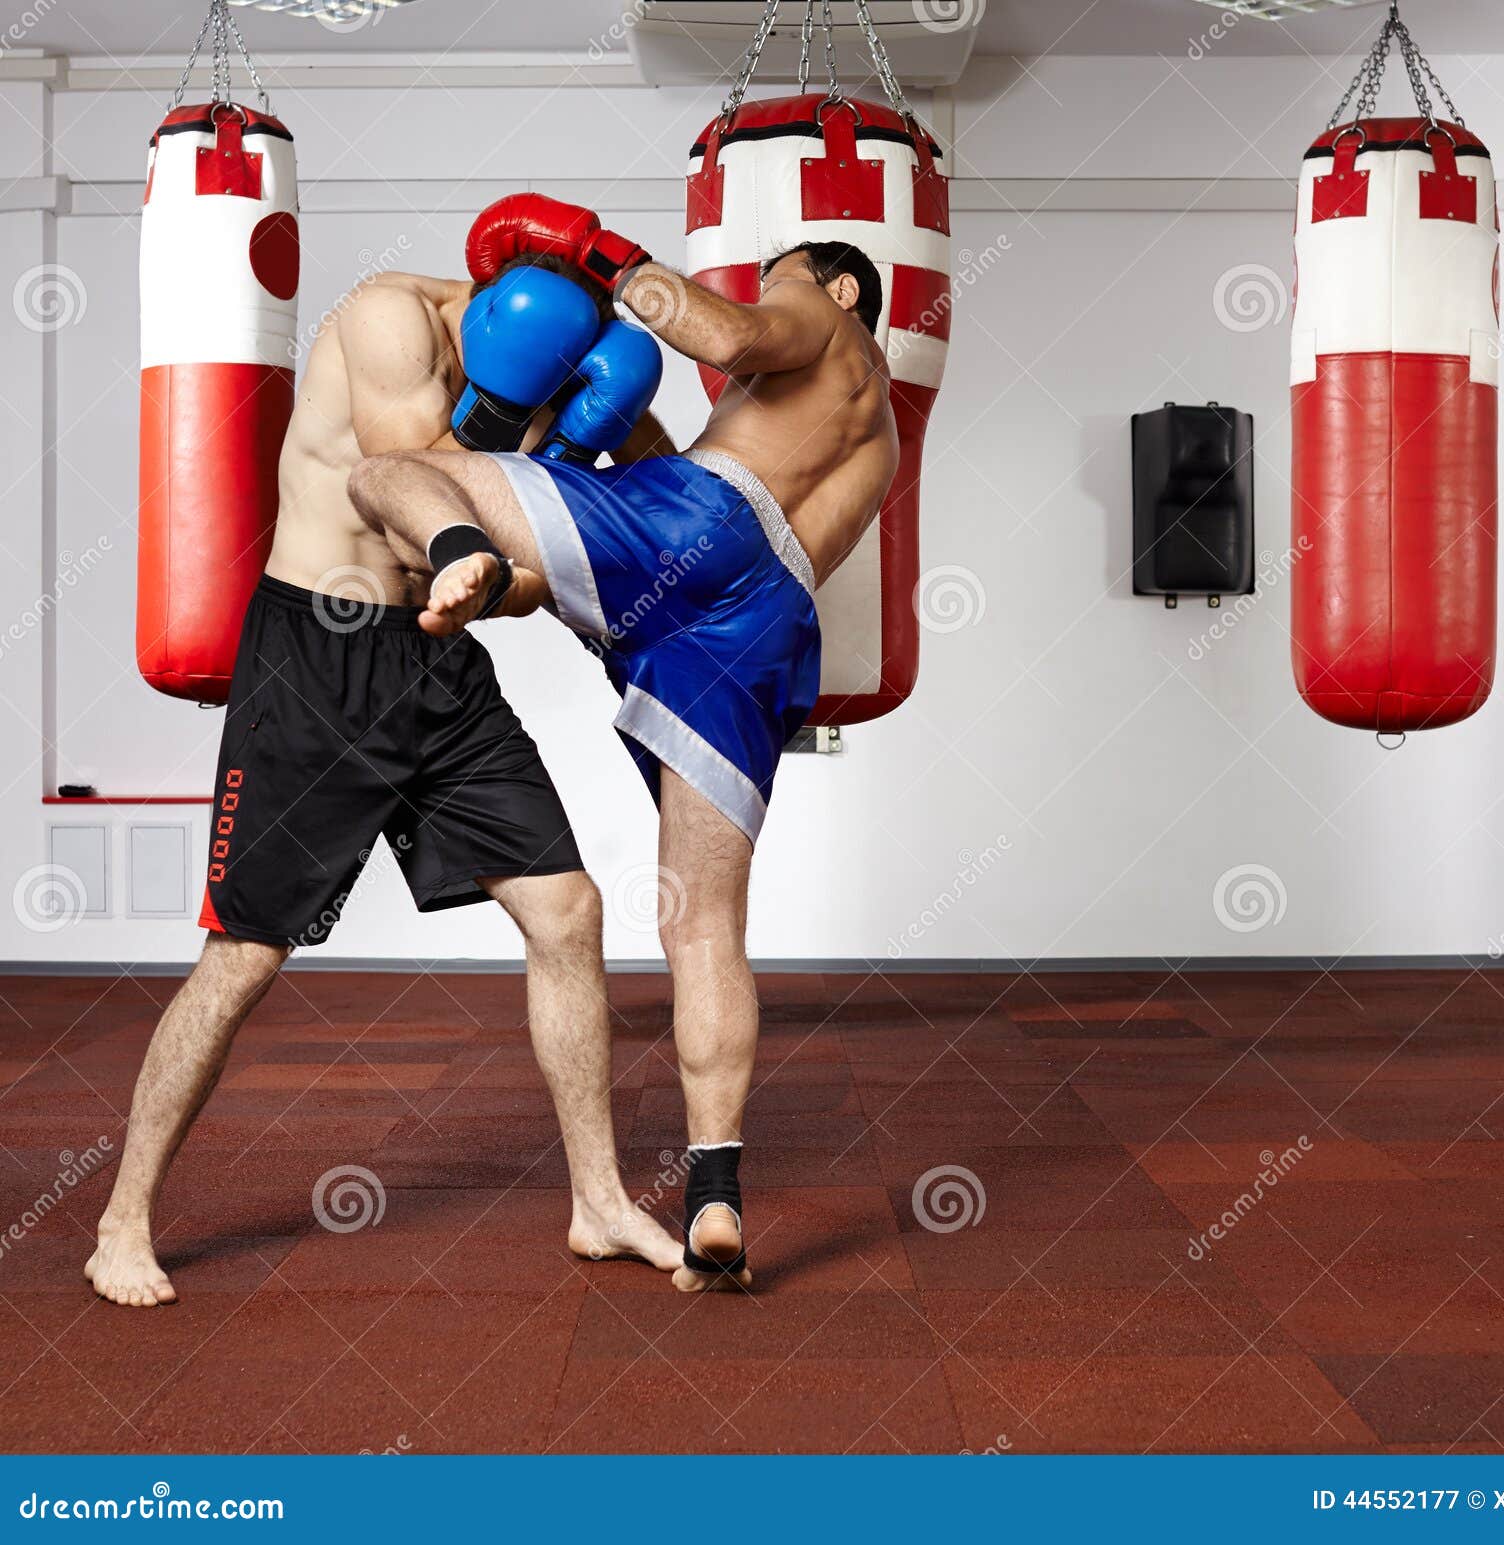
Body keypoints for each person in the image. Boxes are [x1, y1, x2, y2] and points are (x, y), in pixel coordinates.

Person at [86, 231, 681, 1307]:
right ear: (502, 297)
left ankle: (598, 1201)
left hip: (437, 671)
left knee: (569, 914)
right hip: (316, 659)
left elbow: (617, 520)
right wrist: (516, 529)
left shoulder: (577, 370)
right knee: (244, 961)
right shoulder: (387, 316)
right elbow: (411, 486)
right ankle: (121, 1220)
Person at [344, 193, 900, 1292]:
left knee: (382, 477)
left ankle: (461, 550)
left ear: (837, 292)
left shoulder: (823, 321)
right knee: (702, 926)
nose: (767, 295)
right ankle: (714, 1194)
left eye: (784, 276)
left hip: (700, 528)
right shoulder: (873, 435)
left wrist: (596, 250)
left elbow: (728, 336)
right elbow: (678, 481)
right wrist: (611, 421)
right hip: (759, 621)